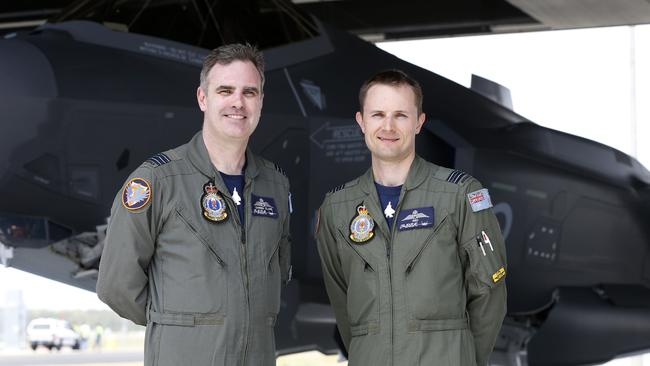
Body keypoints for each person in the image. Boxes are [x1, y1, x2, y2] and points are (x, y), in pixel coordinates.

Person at [97, 43, 291, 366]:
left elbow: (278, 274)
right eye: (225, 90)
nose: (237, 103)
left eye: (249, 92)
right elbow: (116, 284)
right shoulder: (158, 181)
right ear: (203, 98)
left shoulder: (276, 185)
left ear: (260, 102)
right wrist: (180, 326)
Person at [315, 70, 507, 366]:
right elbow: (342, 301)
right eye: (377, 114)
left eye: (401, 115)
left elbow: (489, 293)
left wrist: (465, 359)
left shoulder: (460, 194)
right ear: (361, 121)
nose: (388, 126)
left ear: (418, 122)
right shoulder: (337, 207)